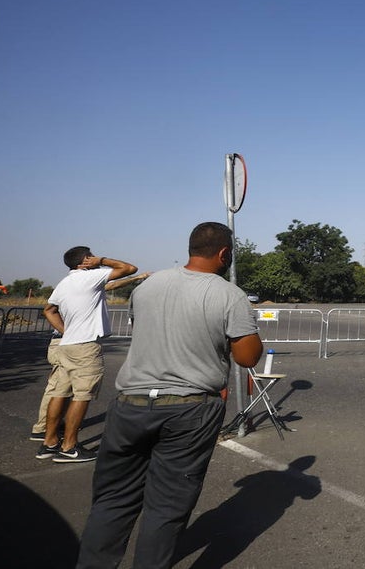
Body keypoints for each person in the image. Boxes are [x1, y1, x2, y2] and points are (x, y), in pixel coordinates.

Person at [75, 222, 262, 569]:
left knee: (112, 501)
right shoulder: (229, 295)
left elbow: (146, 331)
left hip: (130, 403)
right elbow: (247, 357)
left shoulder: (148, 286)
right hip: (189, 408)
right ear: (224, 253)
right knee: (166, 508)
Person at [39, 248, 138, 463]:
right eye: (91, 255)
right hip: (85, 346)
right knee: (82, 394)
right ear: (85, 260)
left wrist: (67, 332)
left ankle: (49, 442)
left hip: (66, 345)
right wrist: (101, 260)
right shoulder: (90, 276)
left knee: (60, 393)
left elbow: (49, 310)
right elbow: (129, 268)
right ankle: (69, 447)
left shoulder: (65, 282)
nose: (96, 258)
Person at [30, 273, 150, 445]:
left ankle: (50, 429)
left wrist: (136, 278)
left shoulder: (71, 286)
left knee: (62, 389)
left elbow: (111, 285)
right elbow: (118, 277)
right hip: (70, 341)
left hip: (66, 341)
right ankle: (44, 430)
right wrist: (69, 334)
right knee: (63, 390)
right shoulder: (79, 286)